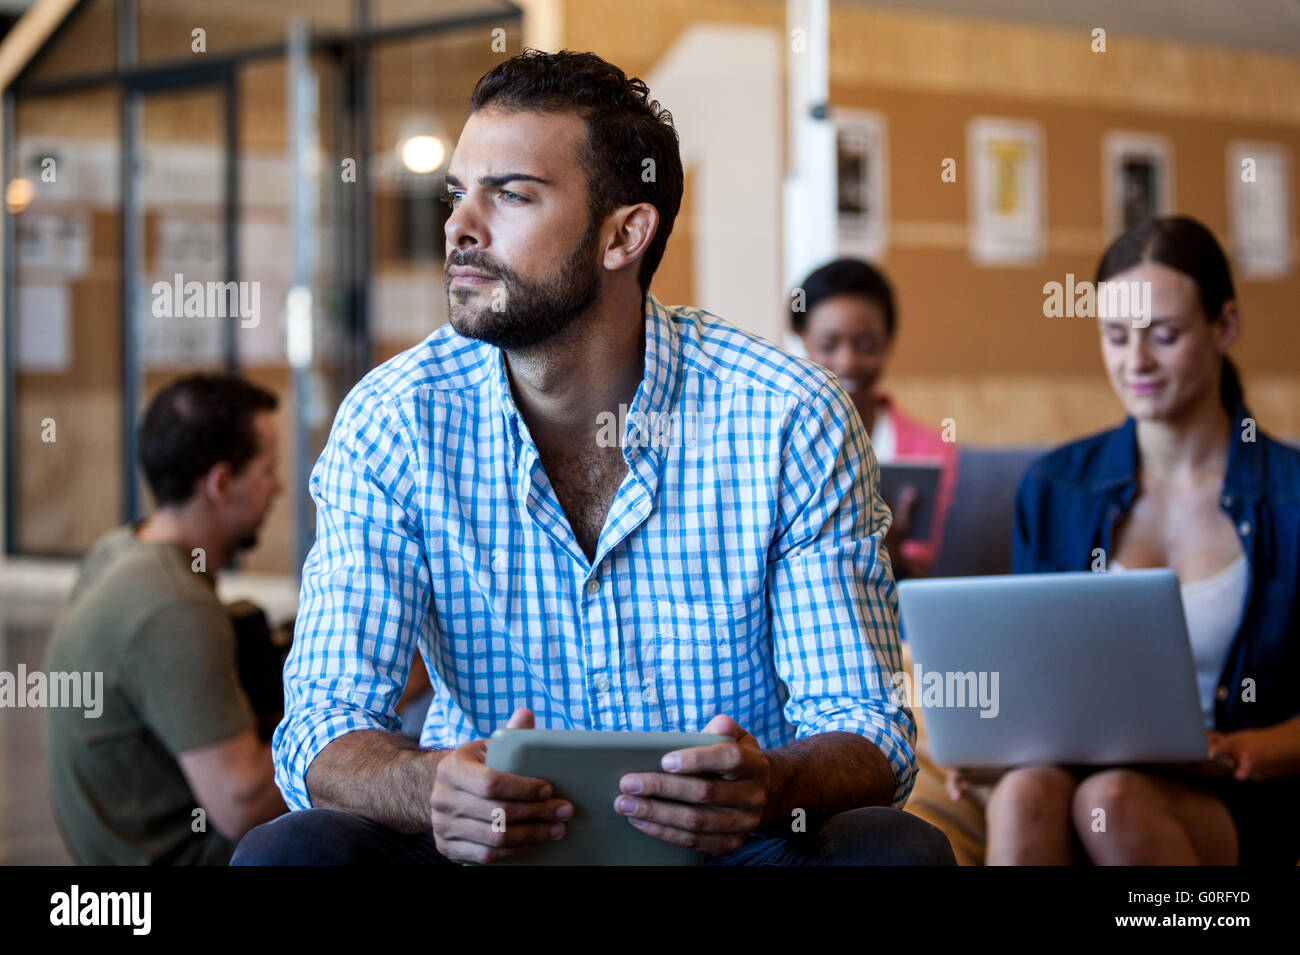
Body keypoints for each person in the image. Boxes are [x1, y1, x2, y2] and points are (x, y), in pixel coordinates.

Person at [234, 49, 954, 866]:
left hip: (727, 851)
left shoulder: (788, 414)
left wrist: (769, 785)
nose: (459, 227)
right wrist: (431, 786)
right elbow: (319, 729)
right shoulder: (393, 422)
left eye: (510, 194)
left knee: (892, 848)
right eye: (457, 193)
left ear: (624, 234)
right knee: (292, 851)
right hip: (488, 852)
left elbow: (868, 726)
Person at [946, 216, 1300, 865]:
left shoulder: (1292, 494)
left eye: (1163, 336)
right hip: (1074, 771)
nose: (1135, 361)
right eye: (1115, 336)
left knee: (1114, 799)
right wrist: (993, 735)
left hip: (1239, 789)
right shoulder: (1055, 486)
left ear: (1225, 325)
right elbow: (1030, 664)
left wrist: (1246, 748)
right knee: (1024, 793)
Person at [43, 374, 289, 864]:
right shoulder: (174, 608)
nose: (279, 487)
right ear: (221, 483)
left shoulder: (120, 551)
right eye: (268, 471)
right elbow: (246, 806)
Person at [792, 259, 958, 578]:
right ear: (803, 340)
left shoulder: (931, 450)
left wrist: (891, 549)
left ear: (888, 342)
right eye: (829, 345)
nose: (847, 361)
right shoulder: (781, 440)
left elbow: (917, 576)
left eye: (866, 345)